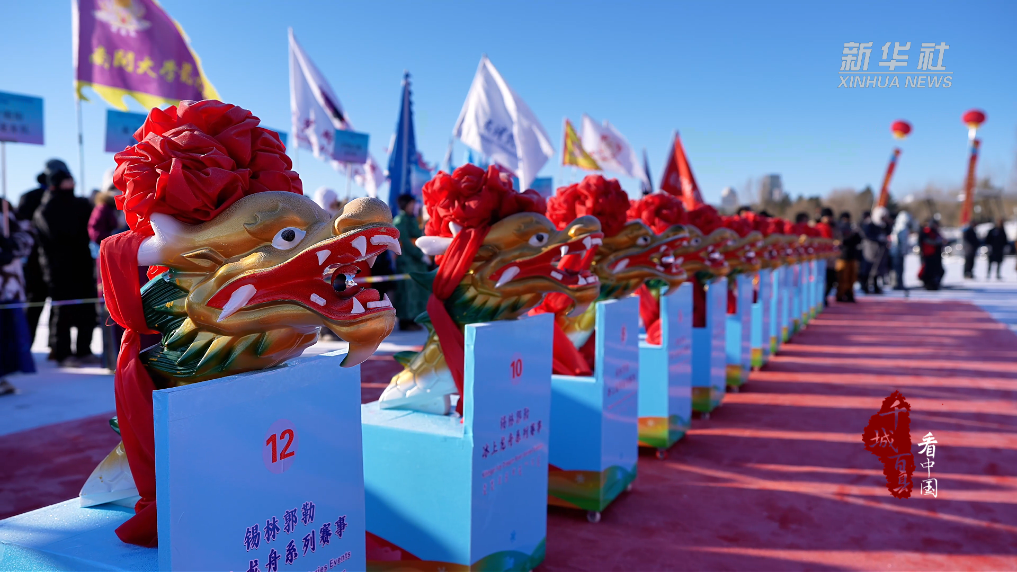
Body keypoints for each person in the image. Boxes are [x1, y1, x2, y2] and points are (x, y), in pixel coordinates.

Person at [32, 166, 99, 367]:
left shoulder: (81, 204)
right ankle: (62, 353)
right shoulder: (45, 209)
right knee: (63, 312)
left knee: (87, 309)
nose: (72, 183)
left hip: (83, 265)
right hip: (59, 269)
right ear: (56, 183)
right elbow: (59, 236)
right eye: (67, 180)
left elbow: (90, 229)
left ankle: (84, 350)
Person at [0, 200, 37, 395]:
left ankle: (2, 376)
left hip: (8, 286)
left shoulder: (7, 211)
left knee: (6, 333)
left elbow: (29, 235)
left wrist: (12, 246)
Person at [15, 169, 52, 349]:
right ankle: (32, 346)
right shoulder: (40, 197)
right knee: (38, 305)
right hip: (41, 260)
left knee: (34, 305)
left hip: (36, 261)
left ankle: (26, 346)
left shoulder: (28, 196)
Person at [391, 194, 430, 331]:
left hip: (416, 261)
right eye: (411, 204)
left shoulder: (412, 219)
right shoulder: (400, 221)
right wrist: (419, 255)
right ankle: (406, 320)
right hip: (407, 262)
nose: (413, 206)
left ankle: (415, 318)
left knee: (418, 292)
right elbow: (406, 242)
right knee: (407, 292)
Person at [861, 207, 889, 294]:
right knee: (868, 268)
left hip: (879, 251)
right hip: (870, 250)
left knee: (877, 269)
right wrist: (877, 238)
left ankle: (876, 286)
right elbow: (867, 235)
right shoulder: (869, 224)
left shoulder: (882, 225)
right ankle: (865, 286)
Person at [836, 212, 861, 302]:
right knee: (843, 278)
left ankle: (849, 294)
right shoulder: (839, 228)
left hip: (852, 255)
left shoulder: (853, 228)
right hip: (842, 256)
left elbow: (859, 240)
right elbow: (841, 241)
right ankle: (840, 294)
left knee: (852, 277)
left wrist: (855, 233)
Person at [817, 207, 838, 304]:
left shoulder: (832, 227)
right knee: (826, 278)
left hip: (830, 257)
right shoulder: (820, 227)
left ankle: (823, 297)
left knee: (831, 279)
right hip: (823, 257)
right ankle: (821, 298)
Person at [889, 211, 914, 290]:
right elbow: (901, 242)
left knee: (898, 269)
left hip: (896, 251)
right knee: (898, 269)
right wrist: (903, 250)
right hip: (898, 252)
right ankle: (897, 284)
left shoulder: (897, 226)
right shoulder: (902, 228)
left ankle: (897, 283)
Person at [918, 219, 945, 290]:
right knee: (929, 271)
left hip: (935, 255)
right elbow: (927, 241)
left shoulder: (935, 231)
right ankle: (929, 284)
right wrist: (938, 242)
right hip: (928, 254)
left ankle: (934, 283)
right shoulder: (926, 231)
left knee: (937, 271)